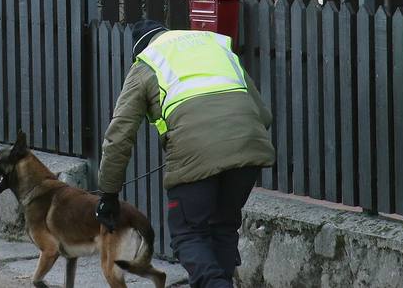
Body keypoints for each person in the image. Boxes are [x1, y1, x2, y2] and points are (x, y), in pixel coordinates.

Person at [95, 20, 274, 288]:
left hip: (194, 155)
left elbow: (118, 135)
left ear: (139, 48)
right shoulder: (216, 47)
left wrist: (108, 194)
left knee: (188, 234)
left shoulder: (146, 63)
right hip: (249, 148)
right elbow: (264, 114)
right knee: (222, 228)